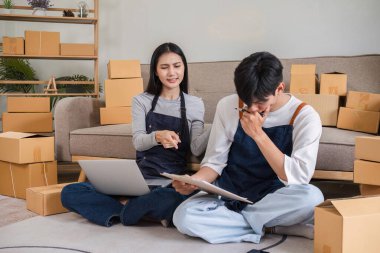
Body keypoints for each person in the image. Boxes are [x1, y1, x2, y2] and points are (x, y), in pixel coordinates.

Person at [172, 51, 324, 244]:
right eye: (246, 100)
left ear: (279, 88)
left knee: (312, 198)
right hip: (232, 192)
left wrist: (258, 135)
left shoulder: (305, 116)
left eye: (260, 102)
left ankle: (245, 222)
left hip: (273, 196)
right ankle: (271, 226)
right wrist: (194, 181)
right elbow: (214, 163)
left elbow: (299, 177)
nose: (252, 108)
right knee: (183, 217)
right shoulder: (227, 105)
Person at [61, 42, 210, 227]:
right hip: (137, 181)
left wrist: (218, 123)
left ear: (184, 68)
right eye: (164, 67)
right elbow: (138, 142)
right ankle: (137, 210)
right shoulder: (142, 100)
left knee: (181, 198)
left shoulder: (195, 104)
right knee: (70, 192)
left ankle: (124, 207)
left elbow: (196, 148)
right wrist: (157, 136)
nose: (172, 73)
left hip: (168, 185)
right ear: (156, 71)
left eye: (177, 66)